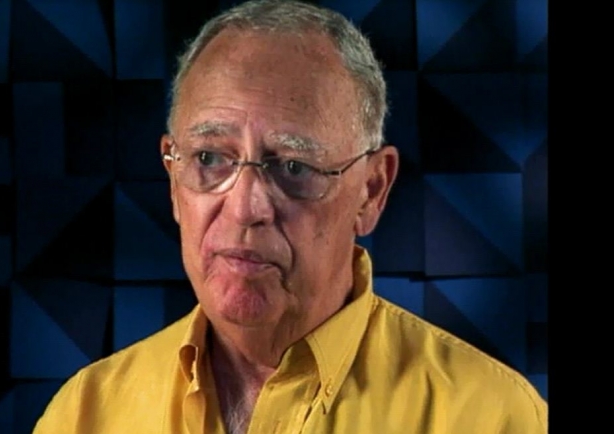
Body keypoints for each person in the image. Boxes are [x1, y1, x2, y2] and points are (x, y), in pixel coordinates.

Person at [33, 1, 548, 433]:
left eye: (294, 167)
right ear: (172, 177)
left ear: (372, 190)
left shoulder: (490, 417)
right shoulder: (86, 414)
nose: (245, 208)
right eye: (210, 158)